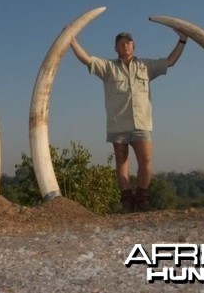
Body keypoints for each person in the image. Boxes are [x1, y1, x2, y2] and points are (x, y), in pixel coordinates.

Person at [68, 29, 187, 212]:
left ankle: (142, 200)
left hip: (141, 123)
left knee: (146, 161)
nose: (125, 45)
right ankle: (127, 201)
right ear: (116, 48)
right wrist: (71, 40)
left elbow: (170, 61)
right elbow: (87, 59)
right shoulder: (108, 67)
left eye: (128, 43)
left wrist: (182, 40)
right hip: (118, 124)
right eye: (121, 43)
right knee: (122, 162)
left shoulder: (145, 66)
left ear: (134, 46)